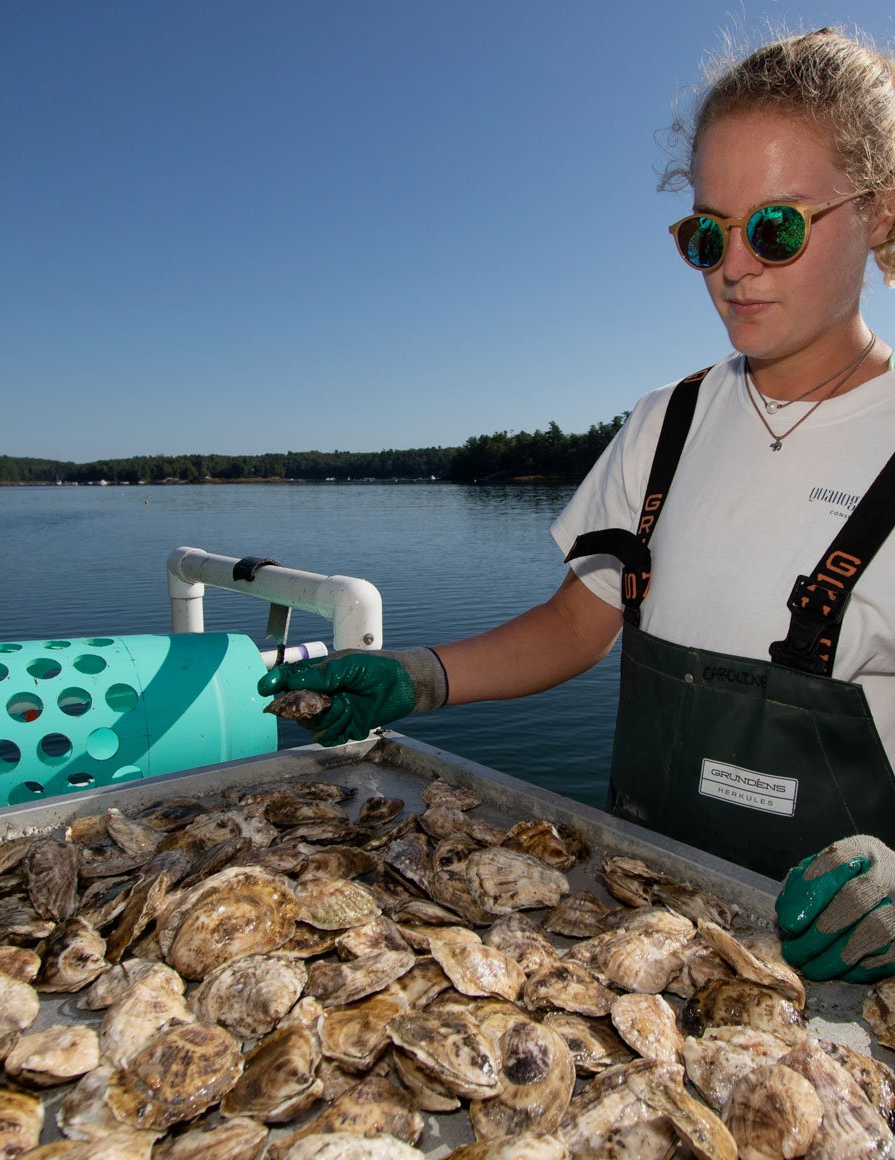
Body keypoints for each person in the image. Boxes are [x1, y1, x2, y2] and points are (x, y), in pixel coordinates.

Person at [260, 27, 895, 983]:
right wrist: (417, 677)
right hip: (640, 922)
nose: (733, 266)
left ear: (880, 216)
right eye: (706, 233)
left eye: (776, 228)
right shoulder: (665, 424)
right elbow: (576, 625)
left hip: (845, 965)